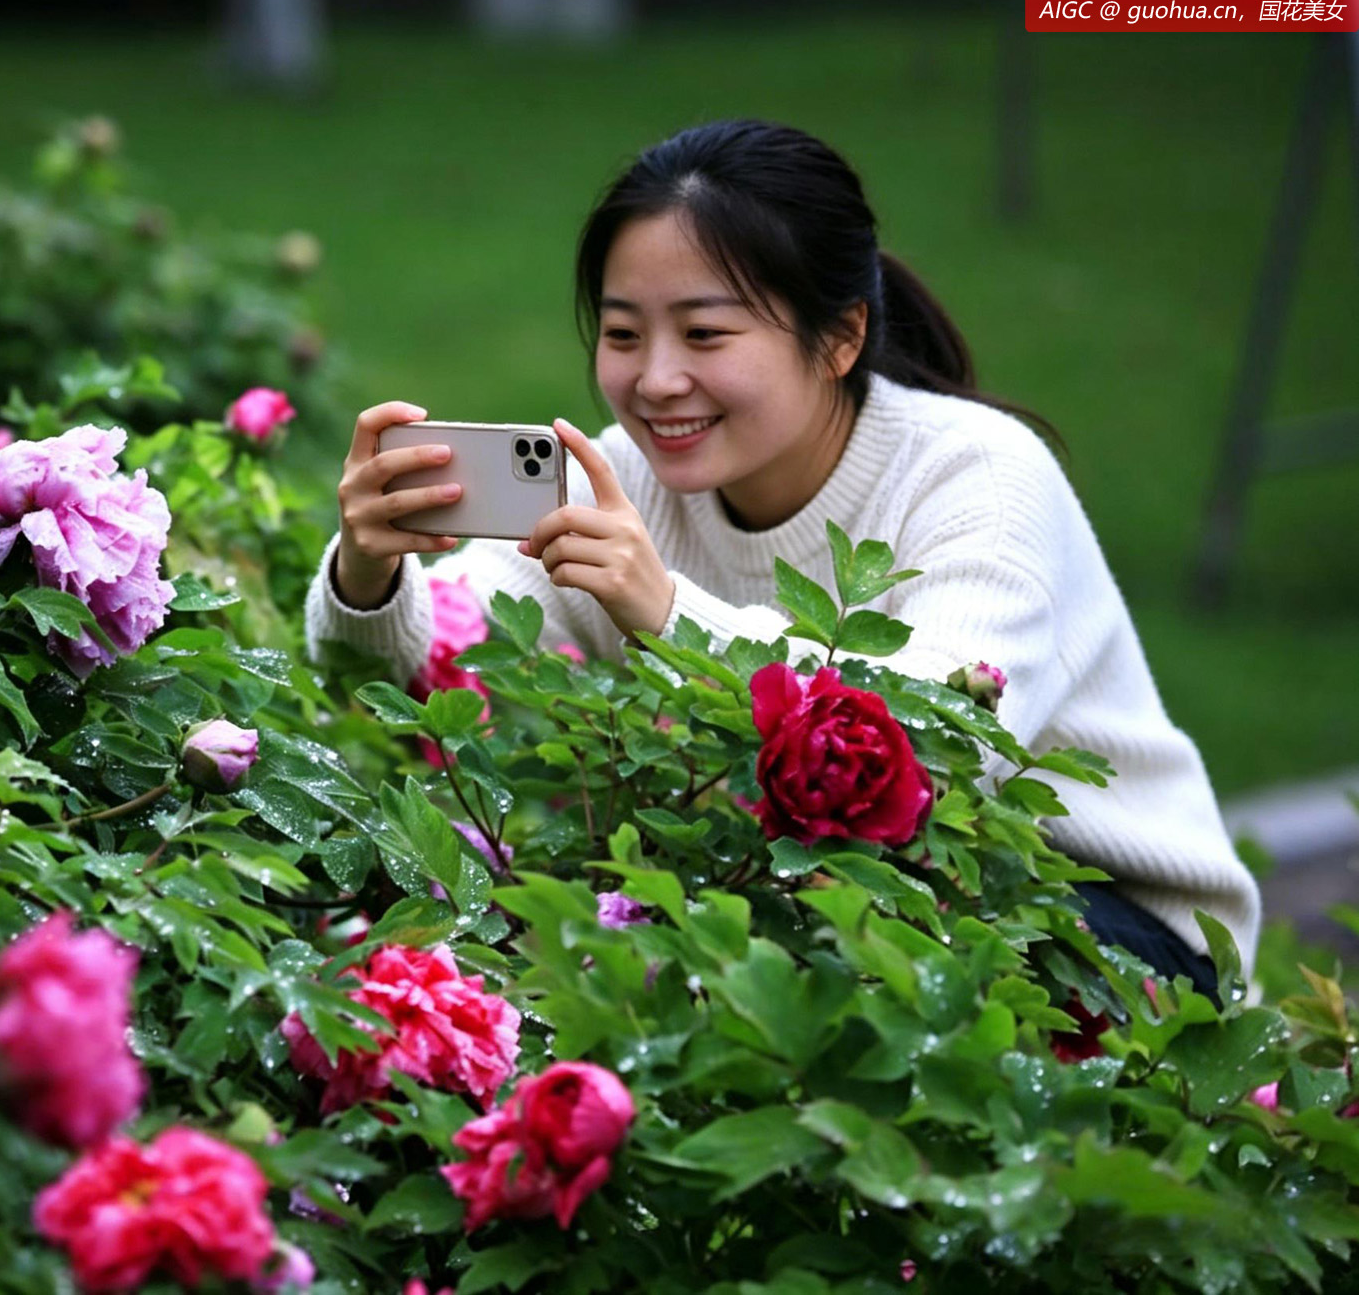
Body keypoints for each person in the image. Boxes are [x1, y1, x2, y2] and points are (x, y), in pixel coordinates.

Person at [304, 118, 1259, 992]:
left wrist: (667, 613)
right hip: (829, 907)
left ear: (840, 336)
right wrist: (369, 575)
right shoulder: (625, 478)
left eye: (706, 333)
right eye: (624, 333)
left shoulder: (983, 474)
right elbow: (430, 664)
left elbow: (940, 753)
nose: (657, 379)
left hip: (1107, 926)